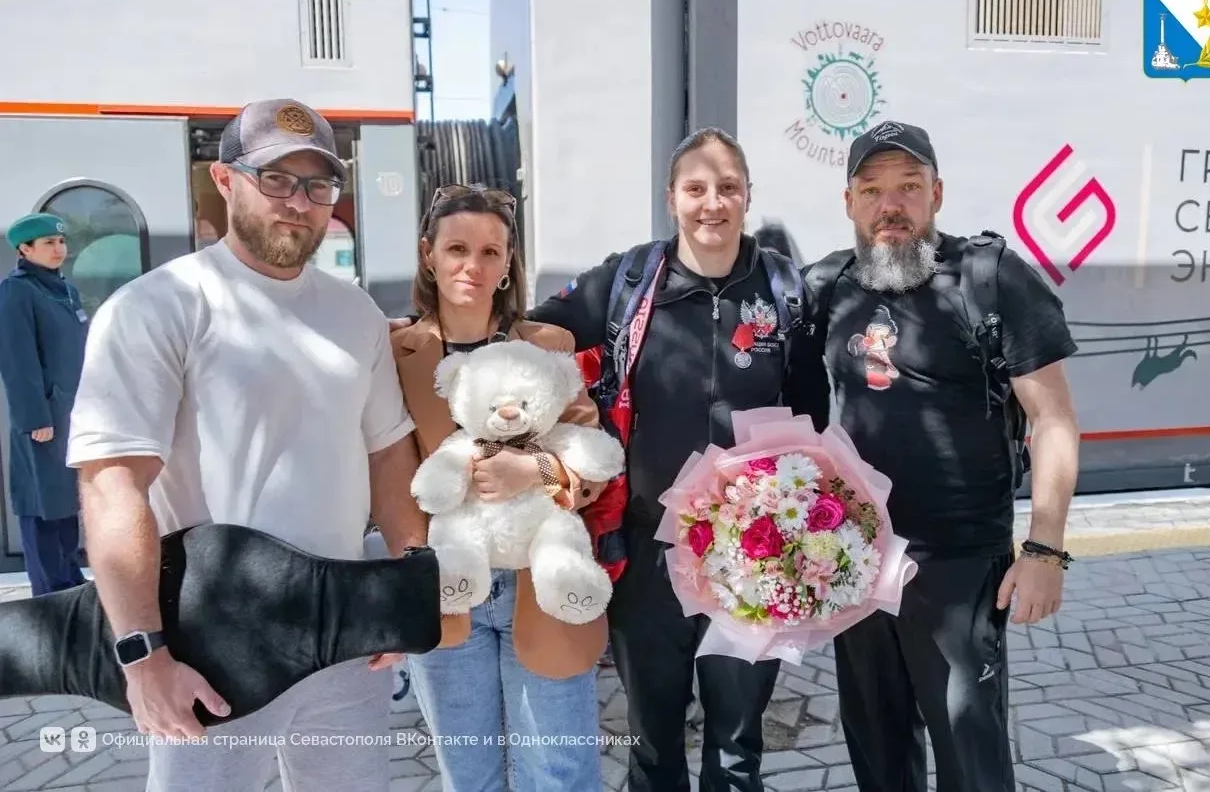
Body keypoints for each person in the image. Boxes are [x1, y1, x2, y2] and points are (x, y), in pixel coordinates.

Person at [65, 98, 425, 792]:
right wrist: (143, 656)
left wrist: (404, 593)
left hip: (344, 638)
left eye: (318, 185)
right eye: (276, 179)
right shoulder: (156, 306)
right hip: (209, 646)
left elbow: (387, 451)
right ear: (225, 181)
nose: (298, 202)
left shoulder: (354, 313)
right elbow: (114, 482)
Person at [789, 120, 1081, 792]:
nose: (890, 206)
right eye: (872, 190)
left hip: (960, 571)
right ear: (849, 202)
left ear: (937, 194)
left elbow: (1054, 419)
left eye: (909, 187)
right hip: (854, 565)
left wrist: (1045, 550)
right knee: (879, 755)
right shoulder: (827, 287)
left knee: (970, 758)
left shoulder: (990, 278)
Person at [527, 126, 810, 792]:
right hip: (649, 557)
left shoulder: (785, 291)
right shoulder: (629, 281)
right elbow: (530, 334)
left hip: (754, 557)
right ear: (671, 198)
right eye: (696, 188)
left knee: (736, 749)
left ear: (747, 196)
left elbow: (818, 407)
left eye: (728, 187)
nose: (713, 203)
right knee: (653, 745)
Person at [391, 182, 610, 791]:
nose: (474, 265)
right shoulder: (394, 351)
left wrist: (536, 471)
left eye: (491, 252)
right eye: (457, 248)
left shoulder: (547, 347)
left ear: (508, 262)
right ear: (428, 254)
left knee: (561, 773)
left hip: (540, 580)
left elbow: (593, 466)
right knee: (470, 775)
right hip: (445, 587)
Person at [0, 212, 88, 596]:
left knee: (66, 500)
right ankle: (50, 591)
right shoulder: (17, 291)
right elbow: (17, 360)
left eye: (61, 241)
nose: (59, 249)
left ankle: (70, 583)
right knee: (42, 501)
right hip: (43, 417)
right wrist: (35, 417)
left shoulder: (66, 290)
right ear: (25, 248)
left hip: (73, 413)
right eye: (49, 243)